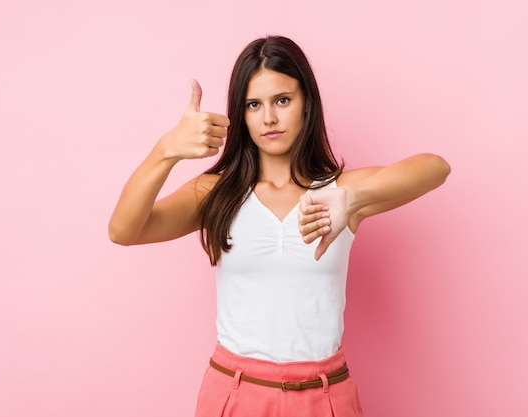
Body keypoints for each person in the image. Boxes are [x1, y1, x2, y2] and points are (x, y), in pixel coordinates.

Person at [109, 35, 450, 417]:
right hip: (235, 391)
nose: (269, 118)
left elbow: (435, 167)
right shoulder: (215, 193)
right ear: (241, 114)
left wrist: (352, 199)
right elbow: (124, 231)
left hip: (325, 396)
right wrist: (166, 150)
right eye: (254, 105)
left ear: (307, 104)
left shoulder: (340, 192)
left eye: (282, 100)